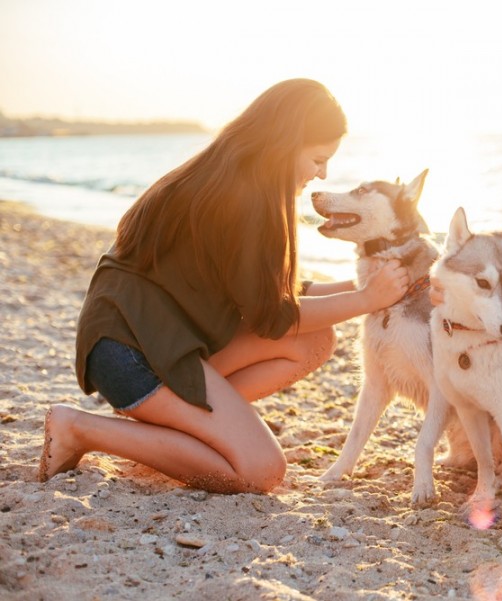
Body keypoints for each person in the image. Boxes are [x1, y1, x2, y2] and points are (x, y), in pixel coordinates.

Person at [38, 79, 410, 494]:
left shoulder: (237, 176)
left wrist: (368, 286)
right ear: (287, 144)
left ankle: (194, 426)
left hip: (158, 340)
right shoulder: (243, 197)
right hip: (131, 355)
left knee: (316, 340)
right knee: (260, 471)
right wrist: (366, 299)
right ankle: (81, 428)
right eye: (319, 159)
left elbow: (272, 294)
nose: (323, 173)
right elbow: (275, 319)